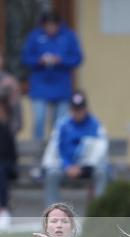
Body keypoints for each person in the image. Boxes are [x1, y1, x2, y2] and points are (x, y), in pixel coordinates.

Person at [22, 12, 83, 141]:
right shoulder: (35, 36)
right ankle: (37, 155)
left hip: (62, 86)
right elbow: (26, 58)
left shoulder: (68, 36)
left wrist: (61, 60)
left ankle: (57, 152)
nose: (51, 28)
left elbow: (78, 58)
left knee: (59, 124)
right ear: (43, 25)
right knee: (39, 120)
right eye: (48, 25)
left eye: (53, 25)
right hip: (40, 85)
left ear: (58, 25)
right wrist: (39, 60)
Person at [42, 91, 107, 205]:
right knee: (52, 174)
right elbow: (55, 148)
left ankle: (98, 212)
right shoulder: (62, 124)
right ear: (71, 109)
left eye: (80, 109)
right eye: (75, 109)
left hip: (87, 168)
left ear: (86, 108)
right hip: (65, 167)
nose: (78, 112)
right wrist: (67, 166)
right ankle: (53, 212)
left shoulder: (95, 125)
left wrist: (82, 168)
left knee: (101, 172)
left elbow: (100, 149)